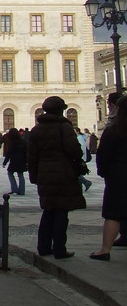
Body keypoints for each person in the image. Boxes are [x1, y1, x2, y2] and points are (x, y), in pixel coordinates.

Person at [27, 96, 86, 259]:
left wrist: (34, 176)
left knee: (48, 210)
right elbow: (74, 150)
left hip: (44, 173)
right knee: (61, 210)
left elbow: (31, 157)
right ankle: (59, 248)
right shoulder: (63, 127)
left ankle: (43, 247)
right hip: (63, 172)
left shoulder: (36, 129)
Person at [90, 95, 127, 260]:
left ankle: (105, 250)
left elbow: (103, 155)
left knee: (113, 214)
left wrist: (104, 172)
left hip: (118, 176)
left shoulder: (113, 131)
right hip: (117, 174)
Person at [2, 128, 27, 195]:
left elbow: (9, 153)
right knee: (20, 174)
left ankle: (14, 188)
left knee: (10, 173)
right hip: (22, 160)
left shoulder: (12, 142)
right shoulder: (23, 141)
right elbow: (26, 151)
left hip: (14, 160)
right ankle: (22, 191)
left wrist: (5, 162)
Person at [76, 127, 92, 192]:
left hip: (78, 158)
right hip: (77, 157)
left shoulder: (79, 138)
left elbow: (82, 148)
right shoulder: (77, 137)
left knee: (75, 172)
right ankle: (85, 183)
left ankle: (85, 183)